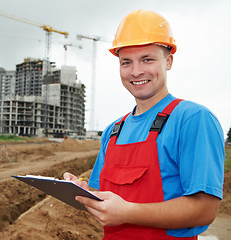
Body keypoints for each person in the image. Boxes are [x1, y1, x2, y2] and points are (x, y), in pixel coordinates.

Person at [64, 9, 225, 239]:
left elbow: (204, 209)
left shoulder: (192, 119)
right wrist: (84, 192)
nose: (136, 71)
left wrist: (128, 212)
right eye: (126, 62)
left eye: (147, 59)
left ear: (168, 61)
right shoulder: (113, 131)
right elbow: (104, 199)